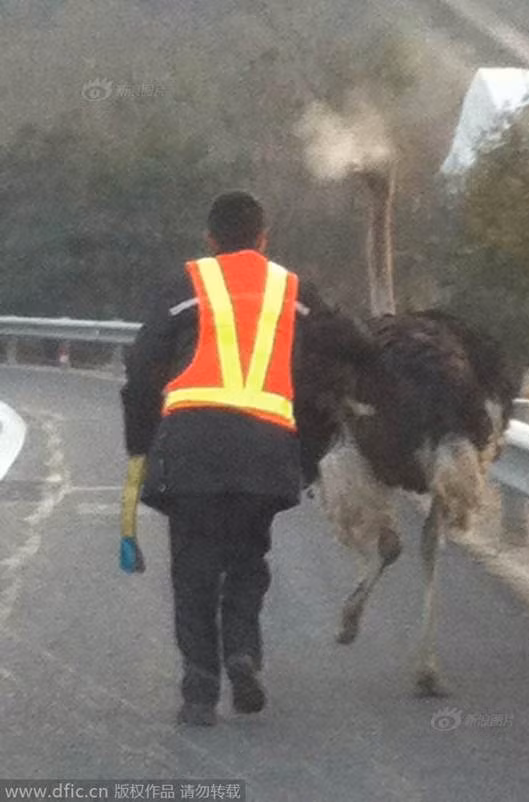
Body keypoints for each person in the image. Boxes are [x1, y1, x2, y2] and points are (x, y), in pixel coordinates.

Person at [121, 190, 375, 726]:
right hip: (265, 452)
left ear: (210, 239)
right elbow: (354, 344)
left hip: (191, 451)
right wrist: (314, 430)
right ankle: (241, 652)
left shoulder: (185, 285)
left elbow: (141, 371)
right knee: (246, 558)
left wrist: (140, 445)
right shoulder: (293, 291)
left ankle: (199, 689)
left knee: (193, 568)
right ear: (263, 239)